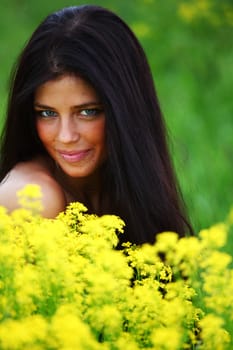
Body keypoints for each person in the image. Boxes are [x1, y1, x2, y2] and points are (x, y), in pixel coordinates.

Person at [0, 5, 193, 245]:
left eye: (87, 112)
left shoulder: (127, 188)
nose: (66, 136)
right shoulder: (31, 198)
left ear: (125, 111)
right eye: (47, 113)